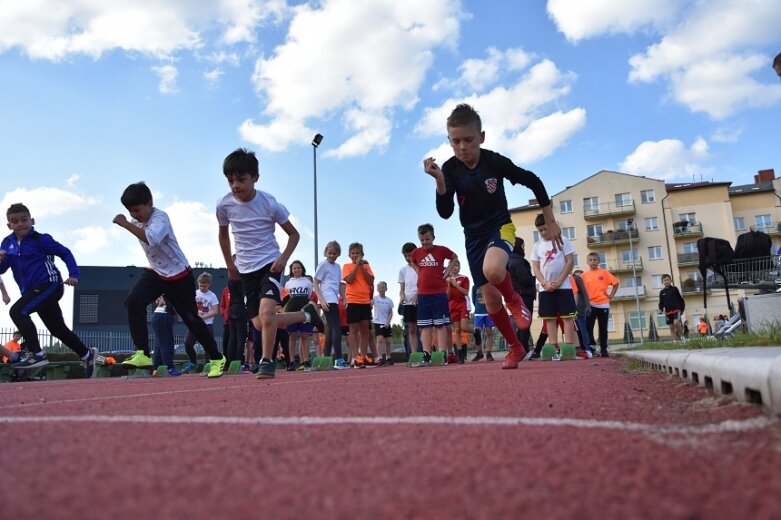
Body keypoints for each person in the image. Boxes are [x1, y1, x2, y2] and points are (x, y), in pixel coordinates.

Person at [423, 103, 562, 369]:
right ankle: (515, 346)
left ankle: (516, 300)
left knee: (494, 270)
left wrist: (551, 220)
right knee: (489, 298)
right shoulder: (451, 169)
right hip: (472, 237)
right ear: (449, 141)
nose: (462, 147)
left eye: (469, 140)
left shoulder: (494, 161)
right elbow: (445, 212)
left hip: (499, 227)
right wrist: (439, 180)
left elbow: (533, 180)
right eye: (456, 141)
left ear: (481, 137)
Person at [217, 148, 323, 380]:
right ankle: (306, 314)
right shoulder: (224, 205)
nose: (235, 185)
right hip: (245, 269)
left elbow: (293, 234)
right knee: (258, 322)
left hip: (269, 264)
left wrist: (283, 258)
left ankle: (267, 361)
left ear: (255, 177)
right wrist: (229, 264)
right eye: (230, 180)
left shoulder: (269, 204)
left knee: (267, 313)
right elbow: (223, 235)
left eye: (241, 179)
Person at [113, 183, 227, 378]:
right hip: (156, 272)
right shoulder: (136, 219)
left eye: (138, 210)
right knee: (133, 300)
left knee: (191, 319)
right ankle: (142, 353)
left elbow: (153, 239)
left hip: (178, 275)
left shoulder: (160, 218)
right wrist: (130, 221)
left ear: (150, 203)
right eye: (131, 212)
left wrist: (126, 224)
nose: (135, 215)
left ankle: (217, 358)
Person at [1, 203, 96, 376]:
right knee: (57, 329)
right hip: (32, 291)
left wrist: (74, 274)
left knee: (18, 312)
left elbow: (65, 253)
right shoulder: (7, 243)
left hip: (50, 284)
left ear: (32, 220)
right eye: (15, 221)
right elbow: (2, 269)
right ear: (9, 225)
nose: (20, 224)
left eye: (24, 220)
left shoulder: (41, 239)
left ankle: (37, 354)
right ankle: (87, 355)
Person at [530, 213, 577, 358]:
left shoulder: (563, 240)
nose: (544, 233)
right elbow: (536, 268)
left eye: (546, 229)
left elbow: (570, 262)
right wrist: (544, 282)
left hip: (563, 286)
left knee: (567, 317)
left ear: (552, 226)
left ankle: (569, 348)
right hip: (545, 288)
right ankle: (553, 347)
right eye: (541, 230)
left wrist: (559, 281)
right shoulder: (537, 246)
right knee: (549, 318)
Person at [411, 223, 456, 367]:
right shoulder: (416, 253)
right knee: (425, 326)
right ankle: (426, 353)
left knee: (440, 324)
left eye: (427, 239)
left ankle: (442, 352)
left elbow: (454, 257)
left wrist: (447, 271)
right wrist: (419, 272)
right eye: (422, 240)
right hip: (423, 293)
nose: (425, 242)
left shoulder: (441, 250)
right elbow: (413, 262)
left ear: (433, 237)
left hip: (438, 293)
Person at [313, 241, 349, 369]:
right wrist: (321, 301)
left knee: (330, 329)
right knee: (337, 328)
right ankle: (339, 359)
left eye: (335, 253)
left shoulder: (338, 267)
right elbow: (315, 282)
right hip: (327, 299)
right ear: (325, 253)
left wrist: (344, 298)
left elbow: (339, 284)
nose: (332, 255)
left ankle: (326, 359)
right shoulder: (323, 265)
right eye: (330, 253)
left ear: (338, 254)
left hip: (334, 298)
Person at [578, 252, 619, 358]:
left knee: (603, 328)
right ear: (587, 262)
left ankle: (604, 348)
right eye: (590, 260)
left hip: (603, 304)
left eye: (595, 260)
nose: (593, 262)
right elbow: (579, 290)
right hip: (590, 305)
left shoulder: (604, 273)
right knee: (589, 327)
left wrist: (611, 295)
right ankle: (592, 347)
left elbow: (616, 283)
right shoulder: (583, 276)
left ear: (599, 261)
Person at [342, 242, 375, 368]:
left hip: (365, 300)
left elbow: (371, 281)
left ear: (362, 254)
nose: (356, 255)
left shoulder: (366, 266)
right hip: (353, 301)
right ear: (349, 255)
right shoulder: (346, 266)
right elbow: (349, 280)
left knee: (365, 329)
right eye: (353, 253)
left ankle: (363, 355)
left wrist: (363, 267)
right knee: (353, 329)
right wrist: (356, 266)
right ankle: (355, 357)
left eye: (358, 253)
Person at [180, 272, 219, 373]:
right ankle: (193, 362)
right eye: (200, 285)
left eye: (204, 286)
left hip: (207, 324)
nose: (202, 287)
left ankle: (208, 364)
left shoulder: (212, 296)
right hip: (194, 324)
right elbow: (188, 307)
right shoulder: (195, 293)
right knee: (187, 343)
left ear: (209, 284)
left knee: (208, 345)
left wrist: (204, 316)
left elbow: (215, 311)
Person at [507, 237, 536, 354]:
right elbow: (525, 279)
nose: (524, 248)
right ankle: (523, 348)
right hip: (524, 295)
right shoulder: (518, 261)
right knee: (525, 323)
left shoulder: (509, 260)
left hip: (517, 294)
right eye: (523, 246)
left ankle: (520, 348)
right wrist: (537, 278)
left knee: (521, 323)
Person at [284, 260, 314, 371]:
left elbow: (310, 295)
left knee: (304, 336)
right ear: (291, 270)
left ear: (302, 269)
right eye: (294, 268)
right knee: (292, 336)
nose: (297, 269)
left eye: (299, 268)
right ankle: (291, 362)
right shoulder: (288, 283)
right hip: (291, 312)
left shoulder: (307, 282)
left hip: (304, 311)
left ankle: (306, 361)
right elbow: (286, 297)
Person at [446, 259, 472, 363]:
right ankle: (460, 354)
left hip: (463, 304)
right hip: (453, 305)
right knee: (456, 330)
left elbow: (466, 292)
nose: (454, 267)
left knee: (463, 327)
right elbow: (447, 296)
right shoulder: (446, 280)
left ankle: (475, 331)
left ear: (459, 267)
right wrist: (449, 284)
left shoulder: (464, 278)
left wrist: (456, 284)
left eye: (456, 265)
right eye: (452, 266)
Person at [398, 242, 420, 359]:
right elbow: (401, 289)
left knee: (423, 328)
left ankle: (428, 351)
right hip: (408, 302)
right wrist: (402, 296)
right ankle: (414, 354)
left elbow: (424, 281)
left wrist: (418, 293)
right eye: (405, 256)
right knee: (411, 328)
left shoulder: (421, 267)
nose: (408, 258)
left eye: (410, 255)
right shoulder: (403, 270)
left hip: (420, 300)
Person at [151, 295, 180, 376]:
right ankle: (169, 368)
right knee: (167, 343)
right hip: (164, 315)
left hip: (157, 315)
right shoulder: (171, 287)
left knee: (159, 343)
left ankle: (156, 368)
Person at [570, 270, 592, 358]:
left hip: (579, 308)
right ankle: (577, 349)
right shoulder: (563, 279)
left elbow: (584, 292)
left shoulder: (576, 278)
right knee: (574, 330)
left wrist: (588, 306)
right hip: (569, 309)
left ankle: (587, 349)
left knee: (583, 329)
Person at [372, 281, 394, 366]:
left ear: (386, 289)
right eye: (379, 287)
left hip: (386, 323)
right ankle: (379, 358)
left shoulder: (389, 301)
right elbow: (370, 305)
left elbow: (391, 313)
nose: (381, 289)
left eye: (383, 287)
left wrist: (388, 322)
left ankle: (388, 357)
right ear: (377, 289)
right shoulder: (375, 299)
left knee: (388, 341)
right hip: (377, 322)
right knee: (380, 340)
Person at [658, 274, 685, 341]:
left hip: (676, 309)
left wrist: (682, 309)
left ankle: (683, 337)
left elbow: (680, 299)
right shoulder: (662, 292)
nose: (666, 281)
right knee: (671, 327)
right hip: (668, 311)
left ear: (671, 281)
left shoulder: (674, 289)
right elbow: (661, 302)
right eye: (665, 280)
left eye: (668, 280)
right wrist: (660, 309)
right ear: (662, 282)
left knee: (676, 323)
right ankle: (674, 341)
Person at [470, 286, 493, 361]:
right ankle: (479, 352)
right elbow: (473, 299)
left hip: (489, 311)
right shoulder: (475, 287)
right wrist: (477, 307)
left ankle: (488, 353)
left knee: (489, 332)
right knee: (476, 331)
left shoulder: (489, 285)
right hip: (478, 312)